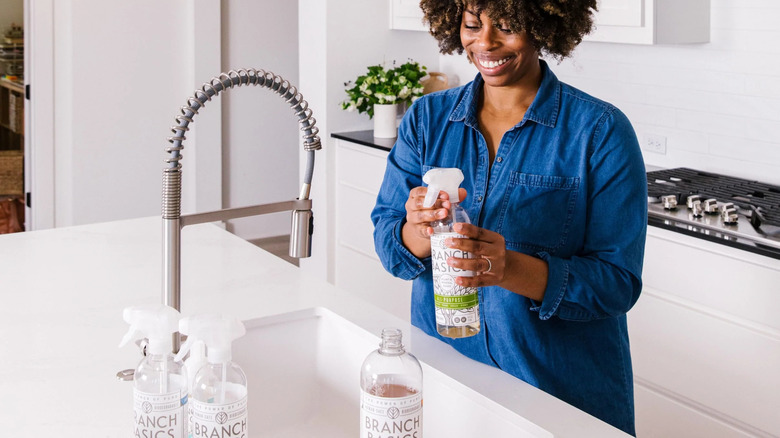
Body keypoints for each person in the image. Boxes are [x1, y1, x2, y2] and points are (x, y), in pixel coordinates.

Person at [371, 0, 647, 435]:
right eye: (472, 24)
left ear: (542, 26)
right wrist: (418, 230)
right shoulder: (427, 120)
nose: (485, 43)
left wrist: (508, 268)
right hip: (448, 381)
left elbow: (617, 284)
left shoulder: (600, 131)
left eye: (508, 26)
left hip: (556, 394)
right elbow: (390, 245)